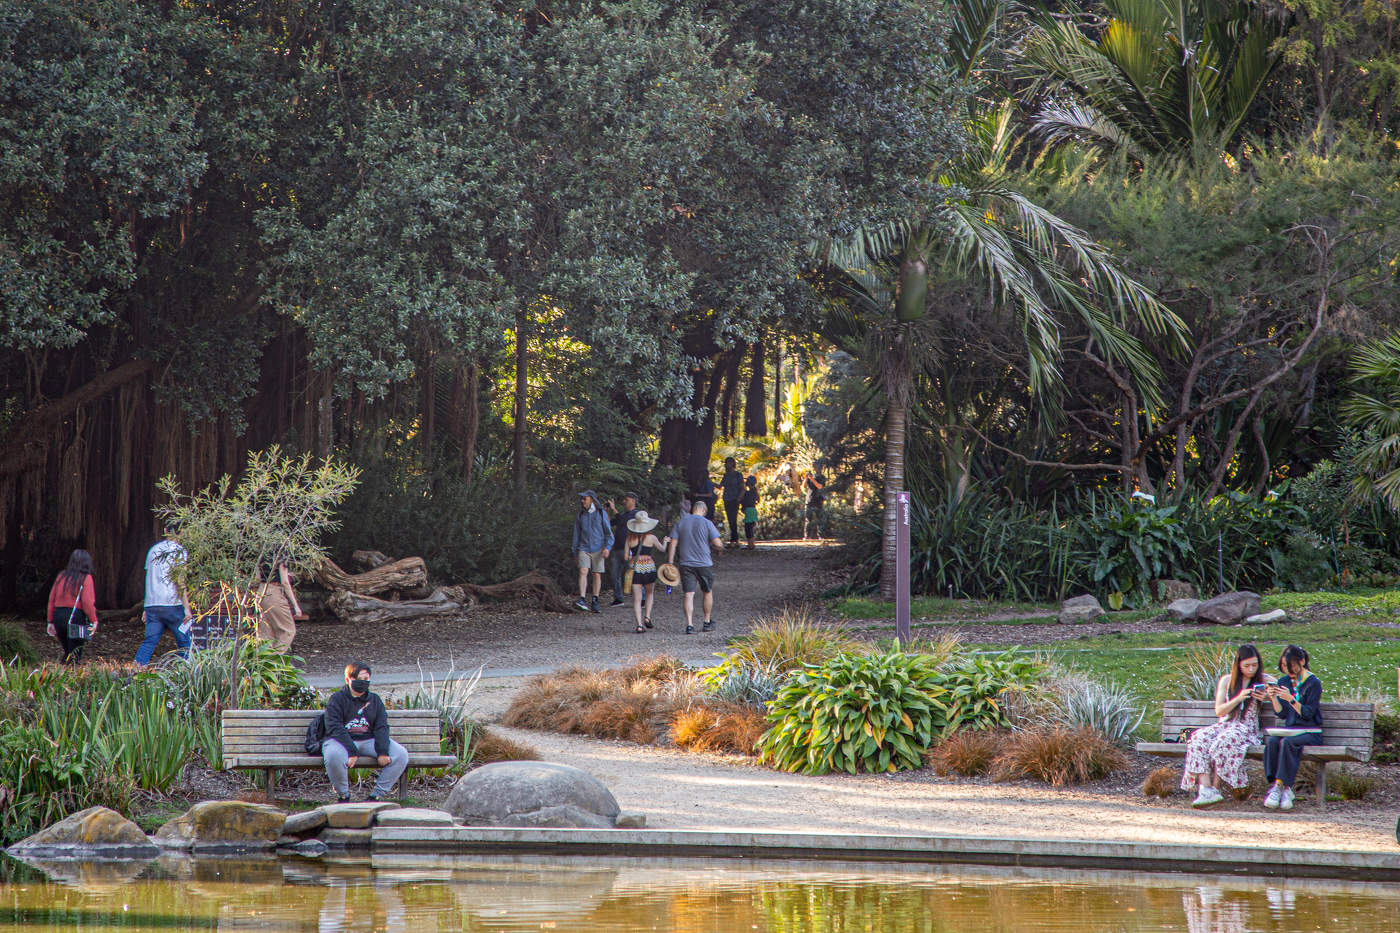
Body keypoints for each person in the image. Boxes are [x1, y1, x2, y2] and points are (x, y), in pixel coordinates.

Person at [1180, 644, 1268, 807]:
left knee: (1223, 741)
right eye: (1246, 665)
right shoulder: (1227, 681)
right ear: (1238, 665)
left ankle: (1215, 788)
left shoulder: (1263, 680)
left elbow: (1283, 689)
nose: (1251, 669)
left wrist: (1268, 695)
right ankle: (1206, 789)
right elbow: (1220, 711)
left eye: (1254, 665)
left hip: (1245, 729)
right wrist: (1239, 698)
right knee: (1198, 738)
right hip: (1225, 723)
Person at [322, 661, 409, 803]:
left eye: (366, 679)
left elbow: (381, 727)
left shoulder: (374, 700)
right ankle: (344, 796)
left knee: (401, 754)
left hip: (368, 740)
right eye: (359, 679)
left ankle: (375, 796)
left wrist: (382, 751)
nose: (363, 682)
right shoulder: (337, 699)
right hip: (341, 741)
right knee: (333, 756)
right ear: (348, 680)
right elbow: (334, 727)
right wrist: (352, 751)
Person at [1263, 645, 1323, 811]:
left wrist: (1291, 699)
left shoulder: (1313, 683)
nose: (1288, 670)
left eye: (1291, 665)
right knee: (1274, 741)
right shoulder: (1283, 682)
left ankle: (1280, 786)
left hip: (1311, 731)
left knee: (1288, 743)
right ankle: (1283, 788)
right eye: (1284, 666)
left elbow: (1308, 714)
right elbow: (1282, 715)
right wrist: (1273, 698)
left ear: (1302, 662)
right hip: (1291, 730)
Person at [134, 522, 193, 666]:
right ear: (182, 533)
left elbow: (149, 578)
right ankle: (181, 673)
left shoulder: (153, 550)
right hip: (172, 604)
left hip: (153, 605)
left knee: (150, 641)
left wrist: (146, 607)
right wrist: (186, 607)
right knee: (184, 642)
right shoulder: (179, 551)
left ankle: (134, 672)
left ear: (166, 530)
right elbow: (179, 581)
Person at [665, 500, 723, 634]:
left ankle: (689, 625)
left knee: (688, 594)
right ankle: (707, 622)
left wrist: (670, 562)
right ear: (703, 511)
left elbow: (673, 544)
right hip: (704, 564)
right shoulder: (707, 523)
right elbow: (718, 543)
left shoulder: (681, 522)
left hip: (686, 564)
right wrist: (719, 548)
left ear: (693, 509)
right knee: (707, 591)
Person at [46, 549, 99, 665]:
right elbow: (87, 602)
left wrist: (50, 621)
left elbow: (52, 600)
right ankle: (70, 677)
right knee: (75, 652)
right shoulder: (86, 578)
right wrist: (93, 620)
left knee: (67, 651)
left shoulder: (61, 576)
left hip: (58, 616)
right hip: (75, 617)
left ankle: (60, 674)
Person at [256, 554, 306, 652]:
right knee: (289, 630)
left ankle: (262, 662)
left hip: (260, 592)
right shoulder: (281, 557)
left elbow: (257, 578)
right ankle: (275, 659)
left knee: (266, 632)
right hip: (273, 592)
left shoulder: (261, 555)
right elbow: (285, 583)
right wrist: (296, 606)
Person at [624, 510, 664, 633]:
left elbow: (625, 557)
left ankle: (639, 625)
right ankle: (647, 616)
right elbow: (662, 549)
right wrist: (666, 542)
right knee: (650, 594)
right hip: (649, 568)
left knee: (637, 598)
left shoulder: (629, 539)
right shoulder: (651, 538)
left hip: (635, 568)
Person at [572, 490, 611, 613]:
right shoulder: (580, 515)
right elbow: (576, 534)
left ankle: (595, 600)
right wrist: (575, 551)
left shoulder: (601, 513)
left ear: (592, 500)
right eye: (582, 499)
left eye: (585, 498)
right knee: (583, 571)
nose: (582, 501)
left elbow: (609, 534)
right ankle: (582, 599)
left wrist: (607, 548)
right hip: (583, 548)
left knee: (596, 574)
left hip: (598, 548)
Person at [606, 492, 640, 607]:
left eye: (627, 499)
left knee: (633, 574)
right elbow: (610, 523)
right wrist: (607, 511)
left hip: (629, 549)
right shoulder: (624, 514)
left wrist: (614, 509)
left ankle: (642, 598)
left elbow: (622, 522)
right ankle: (618, 598)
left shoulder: (636, 514)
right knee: (614, 575)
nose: (624, 501)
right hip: (617, 548)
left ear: (633, 501)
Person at [719, 457, 744, 546]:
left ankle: (735, 539)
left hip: (734, 499)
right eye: (725, 463)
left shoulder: (738, 475)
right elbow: (720, 486)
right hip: (727, 499)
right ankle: (733, 540)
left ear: (732, 464)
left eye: (727, 463)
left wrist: (739, 499)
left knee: (733, 519)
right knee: (730, 519)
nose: (726, 465)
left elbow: (742, 488)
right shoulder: (726, 475)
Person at [803, 471, 827, 540]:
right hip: (809, 501)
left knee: (820, 519)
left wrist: (812, 479)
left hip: (818, 501)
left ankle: (821, 536)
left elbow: (819, 486)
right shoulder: (810, 475)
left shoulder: (822, 477)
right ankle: (807, 536)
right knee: (808, 519)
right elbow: (804, 486)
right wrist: (806, 479)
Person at [741, 475, 760, 549]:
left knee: (748, 528)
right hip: (753, 510)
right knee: (750, 527)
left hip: (748, 510)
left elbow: (740, 499)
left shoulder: (746, 492)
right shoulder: (755, 491)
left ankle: (750, 545)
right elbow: (758, 500)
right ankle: (751, 544)